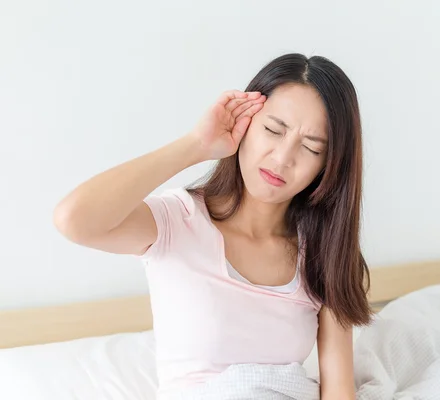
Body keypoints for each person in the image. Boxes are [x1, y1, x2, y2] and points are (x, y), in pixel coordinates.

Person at [54, 53, 372, 399]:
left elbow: (339, 390)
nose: (282, 158)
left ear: (328, 166)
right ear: (245, 124)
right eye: (272, 130)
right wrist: (197, 146)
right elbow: (74, 219)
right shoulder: (178, 221)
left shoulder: (327, 253)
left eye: (310, 148)